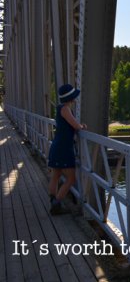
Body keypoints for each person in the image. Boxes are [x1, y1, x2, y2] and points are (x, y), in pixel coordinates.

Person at [48, 84, 87, 214]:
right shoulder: (65, 109)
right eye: (74, 97)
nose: (75, 99)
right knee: (71, 178)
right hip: (63, 148)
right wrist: (82, 126)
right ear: (70, 98)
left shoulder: (60, 108)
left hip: (58, 146)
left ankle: (53, 201)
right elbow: (76, 125)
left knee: (56, 175)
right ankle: (56, 204)